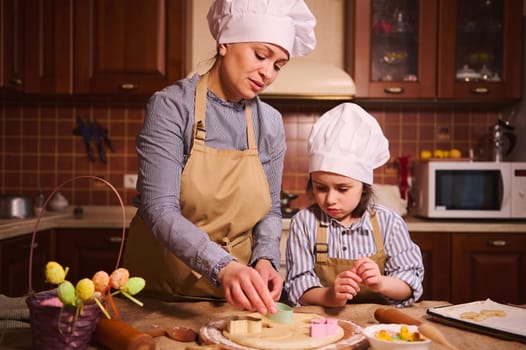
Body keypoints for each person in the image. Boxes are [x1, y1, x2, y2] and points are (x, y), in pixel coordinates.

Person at [122, 0, 316, 315]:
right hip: (160, 297)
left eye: (278, 65)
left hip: (232, 300)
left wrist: (265, 258)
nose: (267, 73)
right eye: (261, 55)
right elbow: (159, 210)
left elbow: (269, 211)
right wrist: (223, 266)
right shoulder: (172, 107)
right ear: (225, 42)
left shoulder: (269, 123)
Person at [284, 103, 424, 308]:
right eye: (321, 188)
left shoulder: (389, 223)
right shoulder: (304, 223)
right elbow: (298, 286)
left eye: (342, 189)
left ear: (364, 186)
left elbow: (409, 284)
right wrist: (330, 296)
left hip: (380, 327)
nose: (330, 199)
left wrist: (381, 283)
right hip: (325, 326)